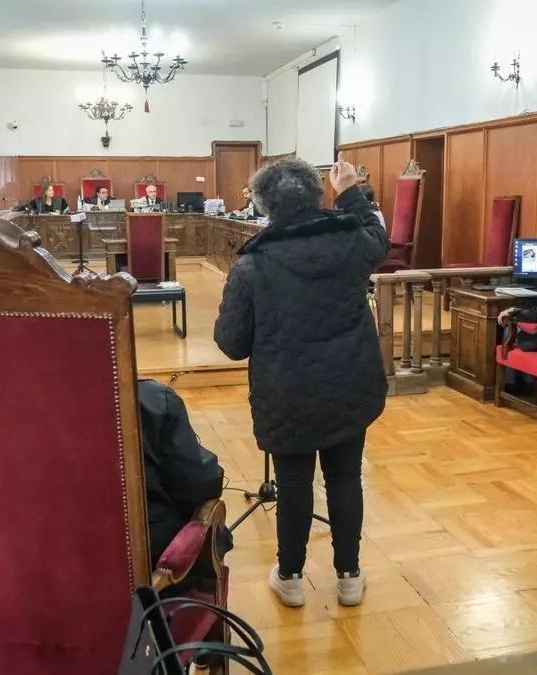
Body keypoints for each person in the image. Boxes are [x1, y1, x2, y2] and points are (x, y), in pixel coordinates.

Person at [214, 153, 388, 608]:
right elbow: (377, 232)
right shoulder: (353, 243)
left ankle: (289, 577)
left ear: (264, 207)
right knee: (346, 479)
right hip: (350, 383)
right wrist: (349, 189)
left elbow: (231, 344)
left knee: (294, 485)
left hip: (287, 392)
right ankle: (349, 576)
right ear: (317, 196)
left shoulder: (252, 266)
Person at [136, 379, 232, 570]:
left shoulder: (59, 407)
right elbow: (196, 485)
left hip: (68, 551)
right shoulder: (154, 400)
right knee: (215, 533)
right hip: (150, 551)